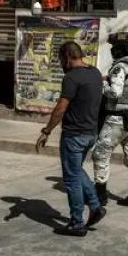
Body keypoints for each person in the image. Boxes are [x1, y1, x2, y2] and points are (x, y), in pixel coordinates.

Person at [35, 41, 106, 237]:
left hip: (74, 135)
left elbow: (60, 108)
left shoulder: (71, 78)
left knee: (72, 178)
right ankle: (96, 207)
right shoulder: (95, 73)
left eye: (60, 59)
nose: (60, 64)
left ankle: (77, 222)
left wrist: (47, 131)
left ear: (67, 57)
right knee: (76, 171)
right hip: (91, 133)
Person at [93, 32, 128, 209]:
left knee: (101, 154)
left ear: (120, 49)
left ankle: (100, 196)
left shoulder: (120, 67)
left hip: (117, 119)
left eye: (114, 48)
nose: (112, 51)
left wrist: (102, 85)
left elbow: (115, 92)